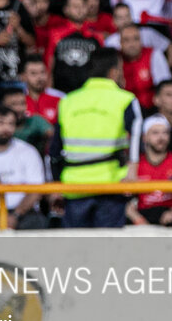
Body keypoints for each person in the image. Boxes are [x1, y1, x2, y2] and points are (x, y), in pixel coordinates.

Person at [51, 47, 142, 228]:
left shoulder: (68, 101)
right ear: (113, 71)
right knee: (108, 251)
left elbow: (54, 150)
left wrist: (56, 186)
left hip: (74, 187)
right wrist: (132, 171)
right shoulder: (125, 99)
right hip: (110, 186)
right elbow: (137, 136)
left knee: (75, 251)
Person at [126, 115, 172, 226]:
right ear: (145, 137)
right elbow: (127, 200)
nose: (161, 137)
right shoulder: (135, 165)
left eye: (165, 133)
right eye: (155, 133)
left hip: (171, 215)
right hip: (142, 215)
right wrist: (138, 220)